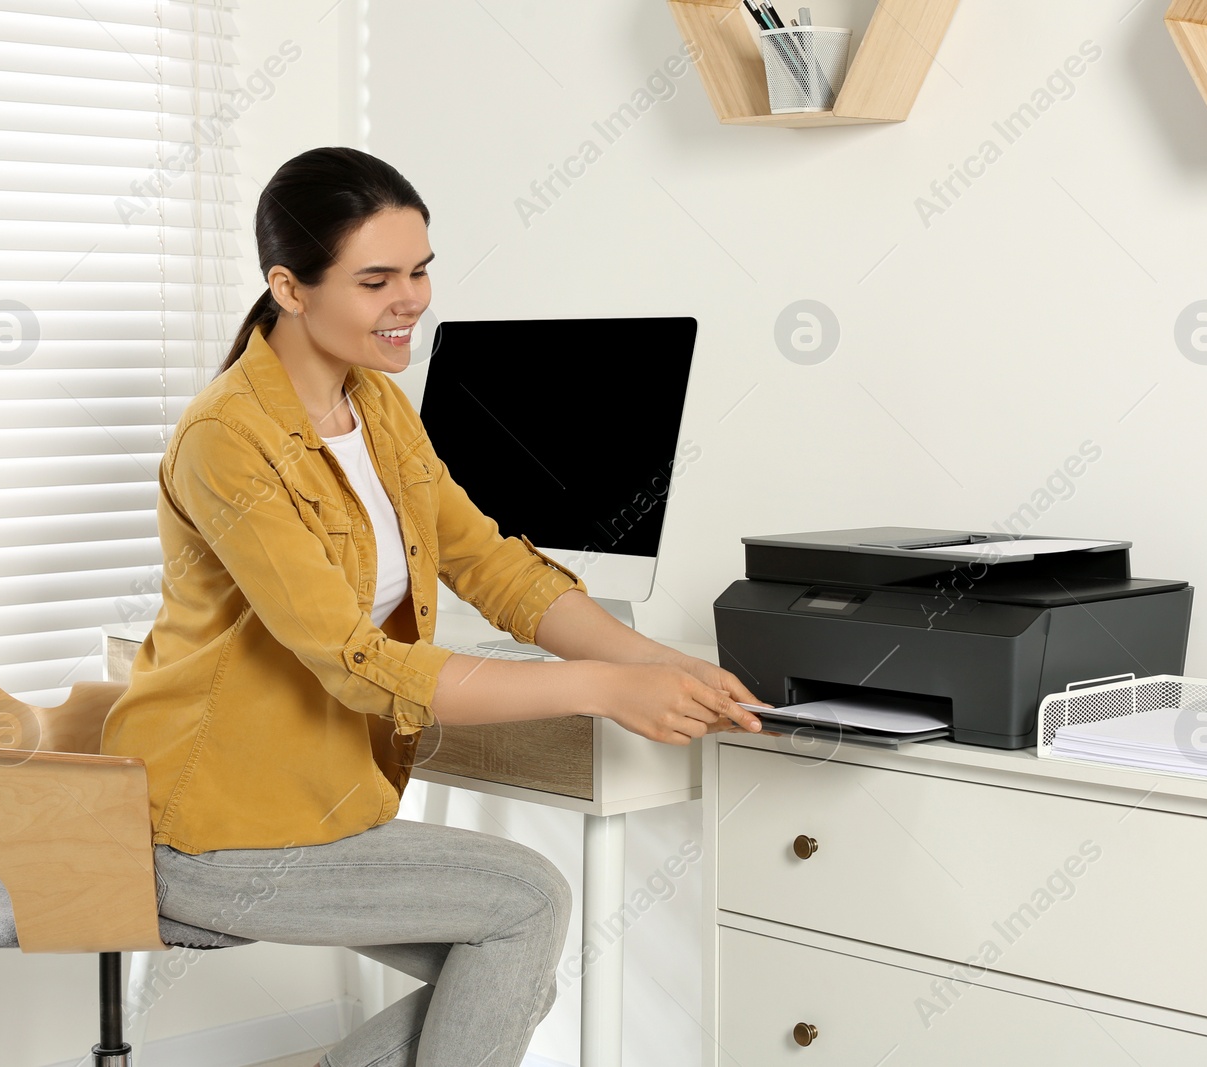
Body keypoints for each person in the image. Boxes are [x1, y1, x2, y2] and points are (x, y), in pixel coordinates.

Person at [99, 146, 766, 1067]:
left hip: (322, 806)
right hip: (215, 830)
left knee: (509, 961)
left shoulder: (376, 405)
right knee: (527, 906)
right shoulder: (229, 439)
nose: (410, 299)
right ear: (290, 288)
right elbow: (357, 659)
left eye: (419, 271)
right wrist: (600, 687)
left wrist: (653, 663)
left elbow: (488, 562)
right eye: (376, 280)